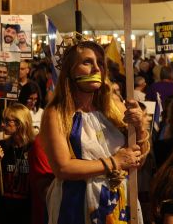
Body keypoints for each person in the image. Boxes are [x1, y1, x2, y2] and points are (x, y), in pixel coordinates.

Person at [39, 40, 147, 224]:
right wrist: (115, 161)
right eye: (87, 62)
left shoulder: (116, 108)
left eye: (100, 63)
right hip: (77, 203)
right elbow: (62, 168)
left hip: (119, 200)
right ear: (70, 70)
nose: (96, 69)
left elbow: (137, 162)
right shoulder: (56, 113)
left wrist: (140, 129)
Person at [0, 104, 35, 223]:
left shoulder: (34, 147)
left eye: (7, 121)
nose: (2, 124)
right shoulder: (2, 146)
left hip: (27, 211)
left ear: (20, 123)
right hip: (5, 210)